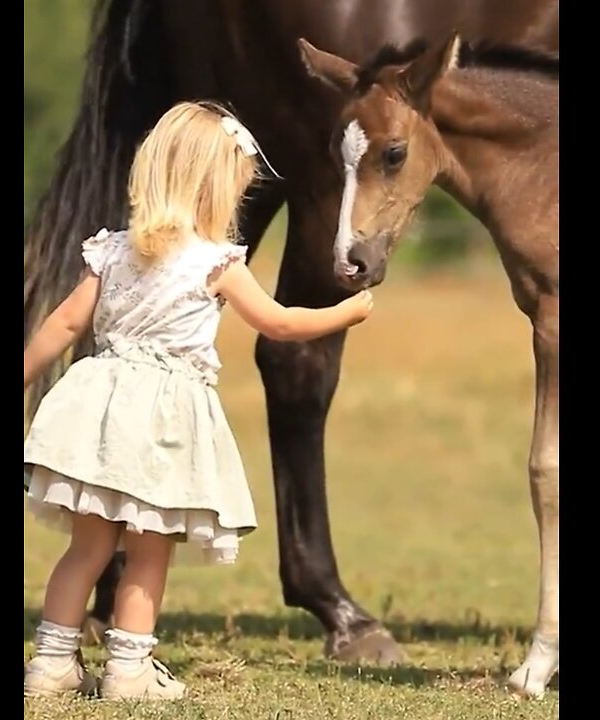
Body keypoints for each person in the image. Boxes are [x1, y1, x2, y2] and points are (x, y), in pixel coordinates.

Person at [22, 101, 374, 701]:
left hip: (100, 408)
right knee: (149, 550)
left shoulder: (112, 250)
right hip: (163, 421)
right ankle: (128, 672)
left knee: (88, 547)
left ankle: (50, 664)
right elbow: (280, 323)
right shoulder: (217, 262)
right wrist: (348, 311)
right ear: (218, 188)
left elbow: (61, 325)